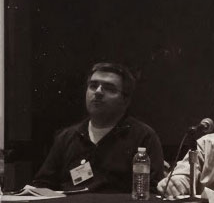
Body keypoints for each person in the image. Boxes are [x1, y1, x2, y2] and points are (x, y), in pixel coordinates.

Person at [33, 62, 164, 192]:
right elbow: (42, 185)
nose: (98, 92)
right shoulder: (67, 137)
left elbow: (152, 192)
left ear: (126, 100)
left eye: (109, 88)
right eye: (93, 85)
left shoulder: (143, 137)